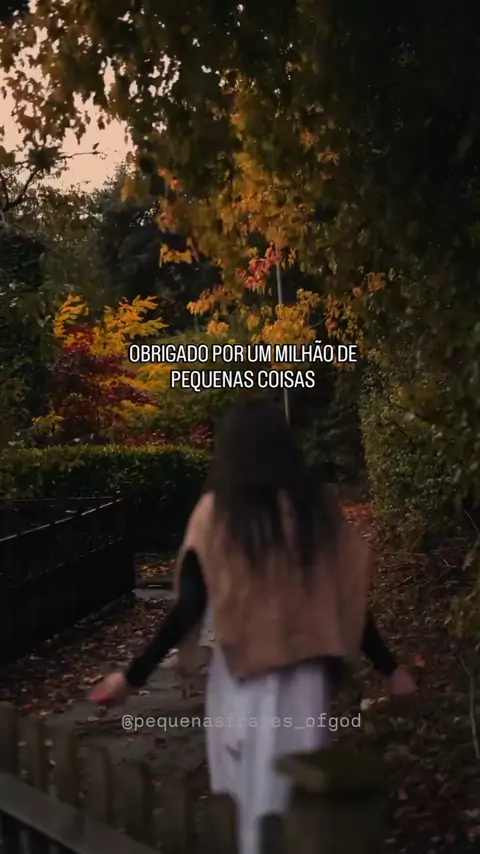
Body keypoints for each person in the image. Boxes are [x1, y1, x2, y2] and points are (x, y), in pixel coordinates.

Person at [90, 399, 416, 854]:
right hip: (304, 682)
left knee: (249, 806)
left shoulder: (216, 513)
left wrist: (132, 676)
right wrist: (390, 668)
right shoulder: (317, 510)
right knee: (296, 798)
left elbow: (189, 608)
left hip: (242, 680)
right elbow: (345, 601)